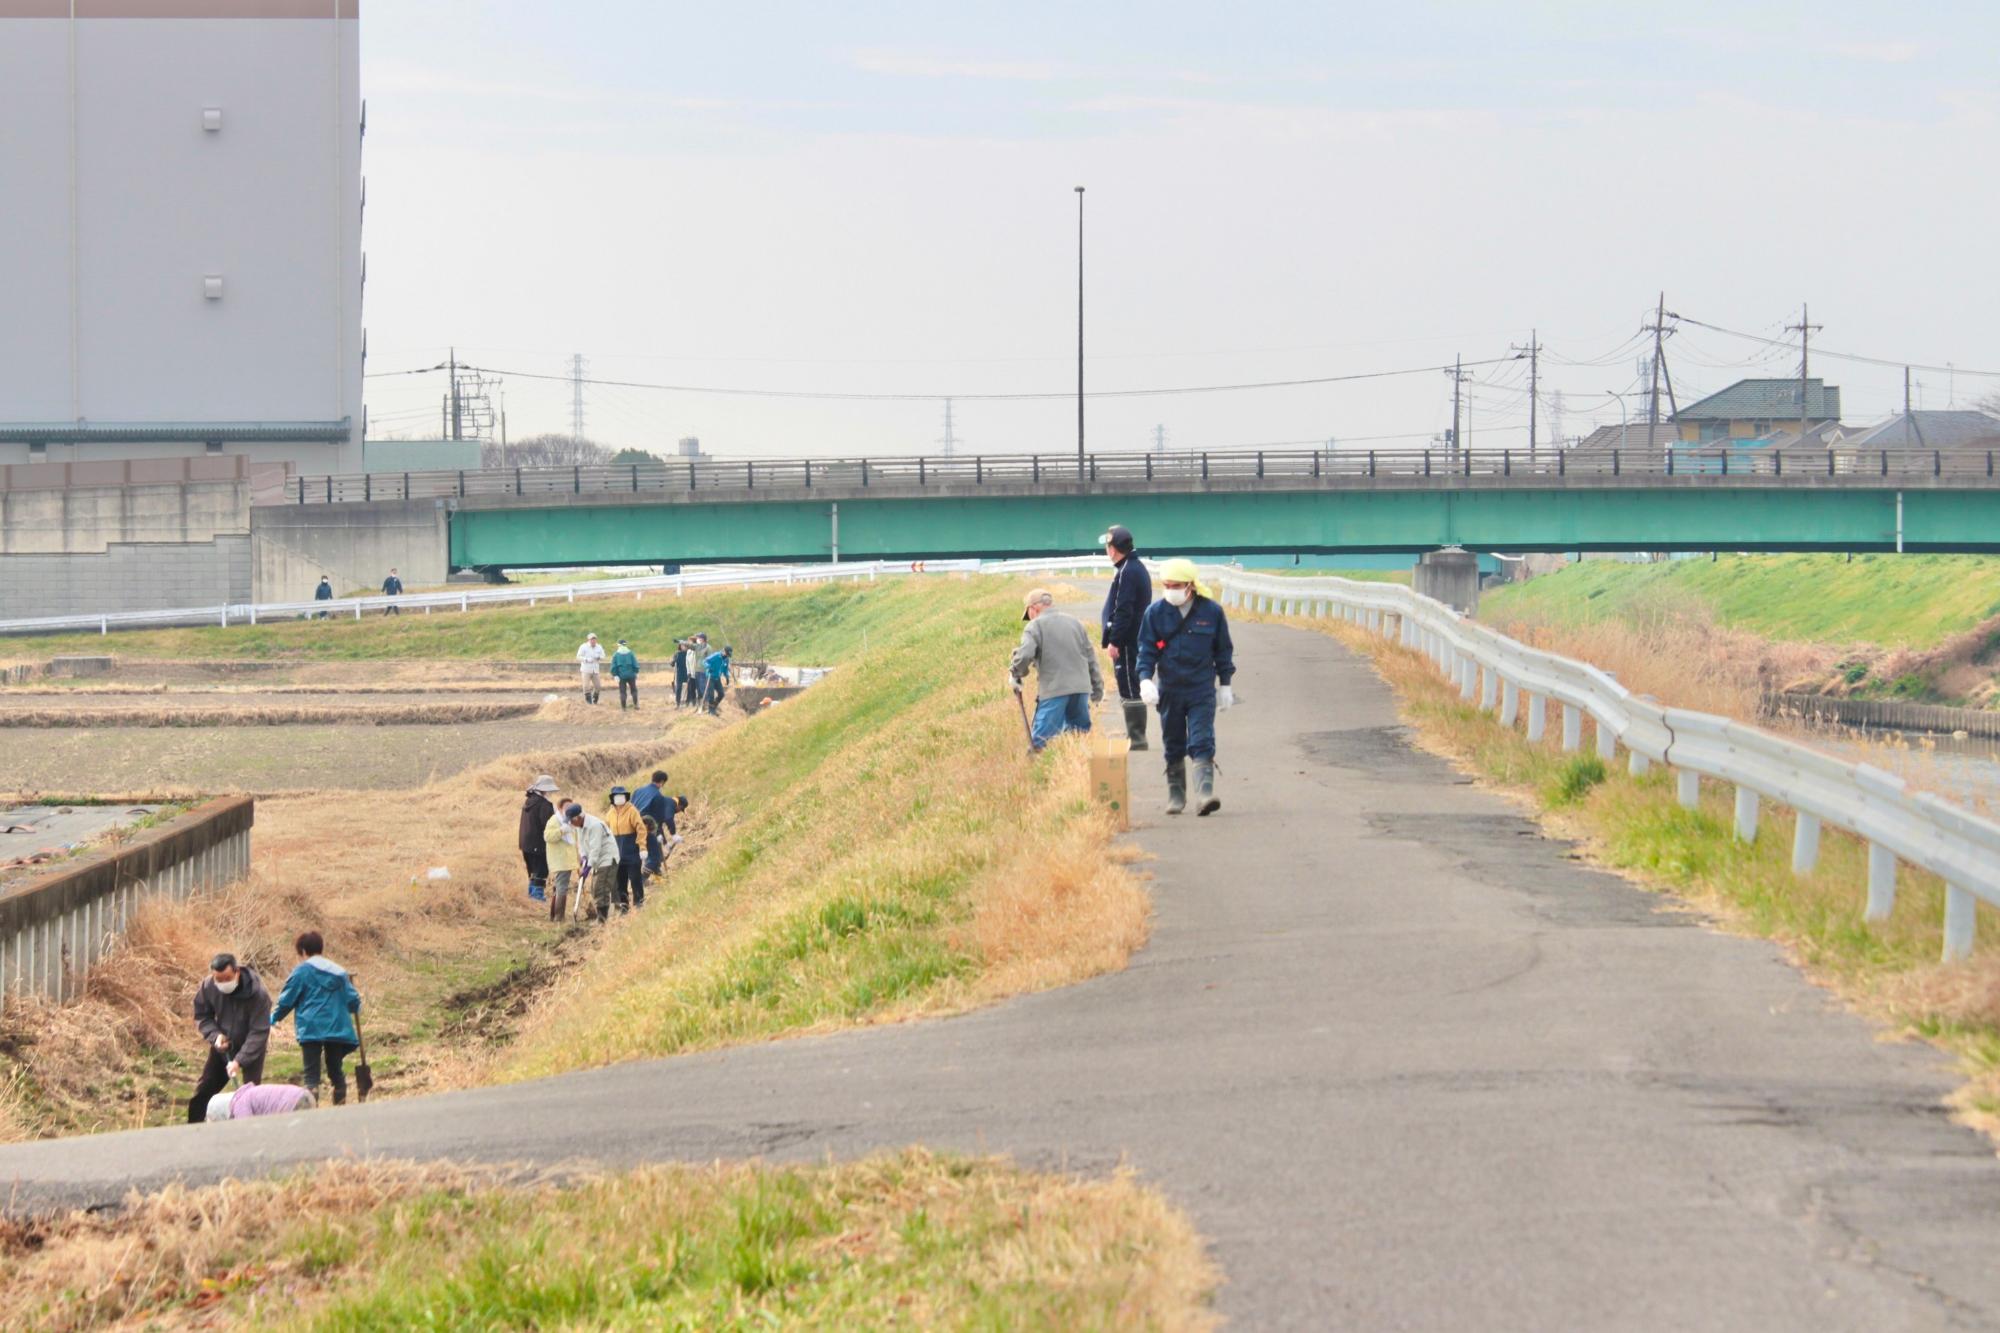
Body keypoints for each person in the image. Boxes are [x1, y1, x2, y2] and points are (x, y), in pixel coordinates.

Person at [1136, 558, 1236, 817]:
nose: (1171, 589)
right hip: (1169, 689)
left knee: (1202, 738)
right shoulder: (1155, 613)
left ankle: (1204, 794)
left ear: (1190, 585)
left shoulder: (1211, 612)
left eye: (1176, 585)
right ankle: (1176, 794)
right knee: (1173, 741)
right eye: (1166, 585)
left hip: (1201, 688)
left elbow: (1223, 649)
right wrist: (1145, 679)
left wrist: (1225, 684)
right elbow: (1146, 650)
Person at [268, 930, 362, 1107]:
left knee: (311, 1075)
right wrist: (353, 1008)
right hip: (337, 1028)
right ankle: (340, 1107)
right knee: (336, 1070)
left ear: (303, 951)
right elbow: (353, 1000)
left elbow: (287, 1000)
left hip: (311, 1029)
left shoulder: (301, 972)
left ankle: (312, 1111)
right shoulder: (339, 972)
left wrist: (274, 1017)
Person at [1009, 588, 1104, 751]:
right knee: (1078, 738)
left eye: (1028, 613)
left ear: (1033, 609)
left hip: (1054, 691)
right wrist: (1097, 690)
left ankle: (1037, 771)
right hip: (1080, 690)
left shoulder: (1034, 626)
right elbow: (1091, 659)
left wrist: (1015, 673)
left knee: (1040, 742)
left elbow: (1025, 654)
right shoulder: (1075, 623)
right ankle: (1077, 772)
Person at [187, 953, 273, 1124]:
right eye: (218, 979)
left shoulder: (258, 995)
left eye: (227, 978)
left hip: (251, 1048)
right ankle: (193, 1130)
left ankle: (250, 1129)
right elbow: (203, 1015)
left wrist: (239, 1060)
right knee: (204, 1090)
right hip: (223, 1046)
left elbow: (259, 1032)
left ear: (237, 972)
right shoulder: (209, 986)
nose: (222, 983)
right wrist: (215, 1035)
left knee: (251, 1095)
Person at [1097, 525, 1153, 752]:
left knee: (1129, 684)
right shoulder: (1130, 567)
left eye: (1107, 546)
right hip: (1134, 637)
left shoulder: (1128, 571)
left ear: (1113, 549)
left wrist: (1115, 641)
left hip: (1129, 640)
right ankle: (1135, 735)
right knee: (1129, 683)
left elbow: (1124, 610)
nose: (1106, 551)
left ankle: (1137, 738)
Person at [569, 802, 618, 922]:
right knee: (595, 888)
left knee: (600, 888)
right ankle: (602, 916)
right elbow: (581, 844)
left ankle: (602, 919)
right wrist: (584, 857)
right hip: (596, 860)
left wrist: (588, 868)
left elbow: (596, 849)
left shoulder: (594, 825)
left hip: (607, 858)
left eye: (571, 821)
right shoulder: (579, 826)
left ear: (578, 817)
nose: (570, 823)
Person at [603, 784, 647, 913]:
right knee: (620, 880)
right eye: (617, 796)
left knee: (635, 878)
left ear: (626, 797)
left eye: (622, 796)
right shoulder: (610, 813)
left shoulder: (632, 811)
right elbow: (606, 831)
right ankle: (624, 905)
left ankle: (639, 902)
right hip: (616, 852)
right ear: (613, 798)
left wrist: (642, 847)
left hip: (631, 850)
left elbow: (641, 829)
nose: (620, 798)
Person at [519, 774, 558, 900]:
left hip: (526, 843)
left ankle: (532, 895)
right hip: (538, 844)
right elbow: (549, 825)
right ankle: (536, 897)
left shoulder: (529, 801)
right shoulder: (544, 805)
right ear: (544, 790)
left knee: (532, 870)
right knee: (541, 870)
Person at [544, 798, 582, 922]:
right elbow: (547, 836)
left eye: (570, 807)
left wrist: (579, 856)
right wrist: (561, 831)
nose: (568, 809)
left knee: (560, 886)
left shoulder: (571, 821)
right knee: (561, 887)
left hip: (568, 859)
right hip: (559, 859)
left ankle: (554, 916)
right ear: (559, 808)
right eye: (566, 807)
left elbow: (574, 842)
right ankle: (559, 917)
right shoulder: (554, 820)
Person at [632, 769, 674, 873]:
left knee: (650, 853)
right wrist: (662, 837)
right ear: (662, 782)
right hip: (647, 827)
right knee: (655, 857)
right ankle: (642, 881)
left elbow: (631, 808)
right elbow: (657, 820)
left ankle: (658, 875)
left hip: (633, 825)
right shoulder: (658, 796)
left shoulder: (638, 790)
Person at [205, 1083, 316, 1121]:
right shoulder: (246, 1094)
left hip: (293, 1103)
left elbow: (249, 1132)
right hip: (305, 1095)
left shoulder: (239, 1105)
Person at [576, 632, 607, 705]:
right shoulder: (583, 647)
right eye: (591, 639)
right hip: (586, 669)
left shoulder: (599, 647)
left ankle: (595, 699)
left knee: (598, 686)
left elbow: (603, 656)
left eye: (594, 639)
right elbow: (578, 657)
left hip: (595, 670)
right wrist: (586, 659)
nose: (593, 641)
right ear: (588, 640)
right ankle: (589, 702)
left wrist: (599, 657)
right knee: (586, 686)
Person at [611, 639, 641, 710]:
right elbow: (635, 664)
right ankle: (636, 705)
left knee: (622, 691)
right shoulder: (630, 653)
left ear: (618, 645)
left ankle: (623, 707)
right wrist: (636, 672)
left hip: (621, 676)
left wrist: (615, 675)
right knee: (634, 690)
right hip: (631, 675)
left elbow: (613, 667)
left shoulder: (616, 655)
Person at [704, 644, 732, 714]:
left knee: (721, 694)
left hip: (717, 678)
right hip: (710, 676)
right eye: (727, 654)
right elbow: (705, 661)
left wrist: (727, 677)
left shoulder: (726, 659)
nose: (727, 656)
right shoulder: (716, 655)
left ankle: (713, 707)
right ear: (724, 651)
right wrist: (708, 667)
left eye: (728, 655)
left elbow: (725, 669)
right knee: (711, 695)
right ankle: (711, 711)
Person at [672, 638, 692, 707]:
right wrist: (673, 660)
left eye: (685, 646)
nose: (683, 647)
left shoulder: (689, 653)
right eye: (682, 646)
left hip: (688, 672)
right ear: (680, 646)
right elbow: (672, 663)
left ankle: (688, 702)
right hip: (680, 672)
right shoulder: (677, 653)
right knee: (678, 688)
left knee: (689, 688)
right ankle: (678, 703)